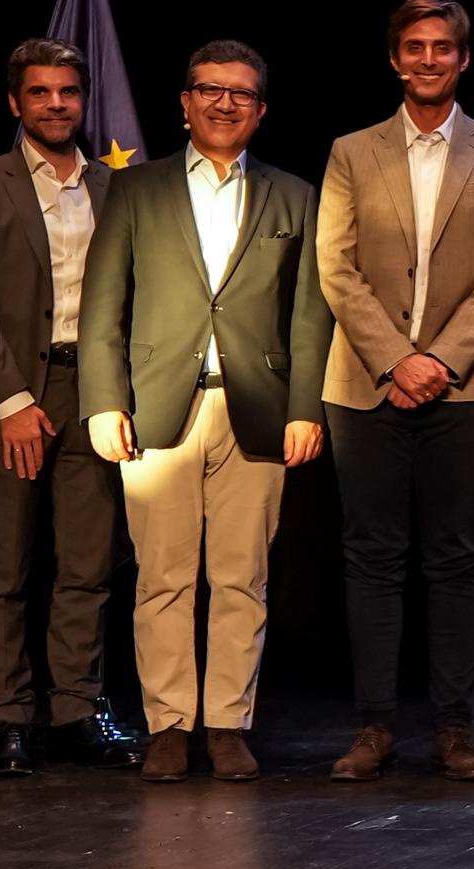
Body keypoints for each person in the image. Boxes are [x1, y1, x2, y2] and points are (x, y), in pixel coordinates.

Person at [77, 39, 327, 779]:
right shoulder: (136, 190)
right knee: (162, 577)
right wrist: (103, 402)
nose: (225, 103)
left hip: (258, 410)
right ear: (185, 103)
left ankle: (225, 724)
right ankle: (168, 725)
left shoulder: (294, 195)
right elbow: (103, 307)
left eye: (240, 93)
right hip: (157, 409)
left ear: (261, 111)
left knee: (242, 578)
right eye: (210, 89)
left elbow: (309, 314)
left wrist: (306, 408)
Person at [316, 0, 474, 783]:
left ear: (463, 59)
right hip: (365, 385)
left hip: (464, 389)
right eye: (415, 47)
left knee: (454, 558)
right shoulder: (352, 151)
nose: (429, 59)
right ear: (395, 59)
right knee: (372, 557)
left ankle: (452, 728)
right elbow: (335, 265)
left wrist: (438, 360)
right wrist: (394, 359)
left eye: (443, 47)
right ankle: (374, 726)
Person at [0, 35, 130, 773]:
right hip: (13, 395)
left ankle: (77, 710)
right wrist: (12, 399)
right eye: (41, 93)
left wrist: (116, 393)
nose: (56, 105)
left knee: (87, 564)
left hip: (93, 392)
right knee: (5, 569)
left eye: (68, 92)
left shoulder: (118, 186)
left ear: (83, 100)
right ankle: (7, 717)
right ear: (15, 102)